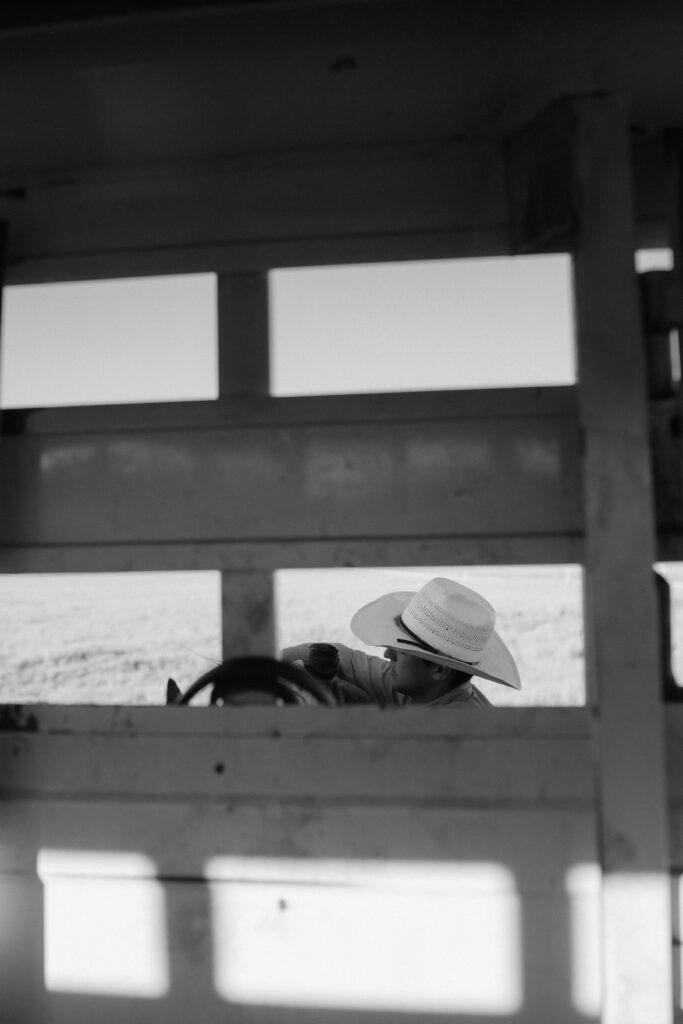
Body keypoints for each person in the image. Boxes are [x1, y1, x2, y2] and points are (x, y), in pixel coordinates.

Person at [281, 575, 521, 707]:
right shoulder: (422, 689)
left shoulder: (458, 733)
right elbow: (342, 656)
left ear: (439, 669)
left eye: (402, 651)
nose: (388, 655)